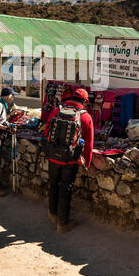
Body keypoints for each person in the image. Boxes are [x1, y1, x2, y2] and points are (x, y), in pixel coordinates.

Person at [43, 88, 94, 233]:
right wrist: (87, 163)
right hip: (71, 160)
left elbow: (46, 132)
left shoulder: (56, 111)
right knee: (66, 188)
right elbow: (89, 144)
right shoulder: (85, 117)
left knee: (53, 184)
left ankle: (52, 213)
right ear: (84, 101)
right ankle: (62, 223)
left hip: (53, 156)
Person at [0, 87, 18, 195]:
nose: (13, 98)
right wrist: (6, 128)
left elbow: (1, 119)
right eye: (12, 95)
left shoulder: (2, 105)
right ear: (7, 96)